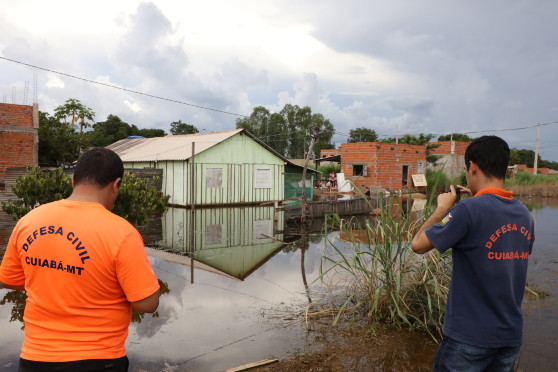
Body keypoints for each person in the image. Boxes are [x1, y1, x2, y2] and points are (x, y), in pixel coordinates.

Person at [0, 148, 160, 372]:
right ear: (115, 185)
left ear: (73, 180)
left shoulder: (29, 220)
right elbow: (147, 304)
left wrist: (52, 277)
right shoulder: (122, 233)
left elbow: (8, 279)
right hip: (99, 360)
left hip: (35, 358)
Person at [412, 136, 534, 371]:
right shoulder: (524, 214)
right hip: (509, 337)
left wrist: (443, 209)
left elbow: (418, 245)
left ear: (473, 167)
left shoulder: (467, 210)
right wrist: (474, 204)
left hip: (469, 338)